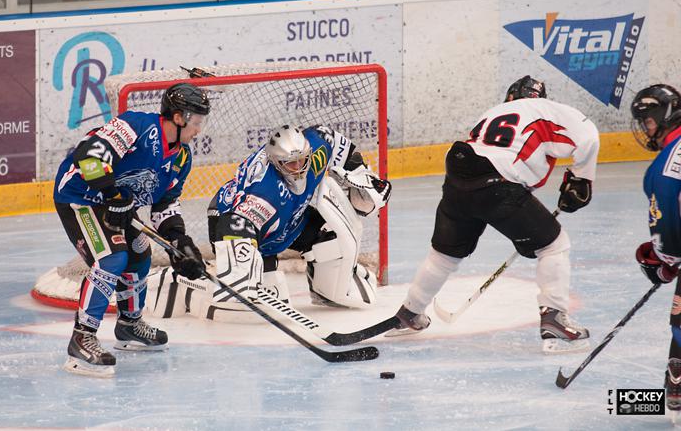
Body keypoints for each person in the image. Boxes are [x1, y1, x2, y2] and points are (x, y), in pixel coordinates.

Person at [390, 76, 600, 354]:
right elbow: (588, 135)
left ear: (511, 95)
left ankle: (410, 313)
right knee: (553, 245)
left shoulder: (494, 112)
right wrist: (582, 178)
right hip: (498, 184)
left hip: (458, 171)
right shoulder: (546, 108)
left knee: (444, 254)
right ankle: (554, 319)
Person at [54, 82, 210, 377]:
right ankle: (81, 337)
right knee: (112, 257)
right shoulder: (135, 126)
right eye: (196, 121)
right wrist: (114, 195)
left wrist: (179, 241)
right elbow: (88, 159)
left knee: (140, 252)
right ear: (178, 117)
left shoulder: (182, 157)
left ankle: (128, 324)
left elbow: (164, 204)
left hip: (116, 206)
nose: (198, 130)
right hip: (79, 197)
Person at [193, 124, 391, 319]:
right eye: (290, 163)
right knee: (257, 291)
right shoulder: (266, 191)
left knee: (330, 235)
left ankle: (327, 292)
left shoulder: (316, 150)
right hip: (230, 220)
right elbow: (233, 224)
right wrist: (242, 269)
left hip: (288, 216)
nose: (298, 168)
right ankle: (236, 285)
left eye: (302, 160)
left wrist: (361, 172)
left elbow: (334, 140)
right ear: (276, 163)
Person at [630, 84, 681, 411]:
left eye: (647, 121)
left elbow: (668, 234)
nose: (646, 129)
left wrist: (663, 261)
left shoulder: (664, 167)